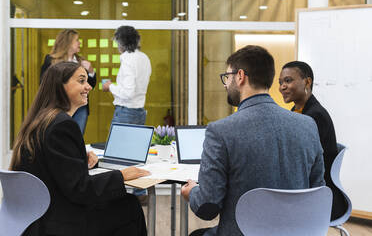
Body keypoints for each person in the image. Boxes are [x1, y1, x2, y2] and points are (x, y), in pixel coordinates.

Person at [181, 45, 326, 236]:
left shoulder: (220, 131)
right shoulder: (308, 125)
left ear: (240, 76)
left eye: (227, 77)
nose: (226, 84)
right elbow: (317, 191)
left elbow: (207, 208)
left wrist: (191, 192)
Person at [10, 61, 149, 236]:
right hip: (57, 222)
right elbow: (80, 189)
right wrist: (121, 176)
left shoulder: (42, 120)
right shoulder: (63, 125)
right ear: (61, 86)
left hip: (37, 216)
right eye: (81, 81)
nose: (89, 87)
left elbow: (55, 166)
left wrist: (80, 158)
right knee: (129, 205)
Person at [279, 60, 347, 221]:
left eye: (288, 81)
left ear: (307, 82)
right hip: (307, 185)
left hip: (318, 193)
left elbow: (303, 163)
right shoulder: (297, 110)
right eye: (281, 82)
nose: (282, 86)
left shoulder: (316, 116)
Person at [102, 26, 151, 201]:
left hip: (126, 112)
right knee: (135, 155)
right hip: (139, 111)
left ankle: (117, 195)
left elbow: (128, 92)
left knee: (117, 156)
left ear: (121, 41)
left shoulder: (128, 60)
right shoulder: (144, 58)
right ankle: (139, 192)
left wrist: (110, 87)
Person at [40, 29, 96, 134]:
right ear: (68, 42)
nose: (79, 43)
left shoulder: (81, 61)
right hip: (59, 105)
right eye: (77, 40)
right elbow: (44, 83)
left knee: (76, 137)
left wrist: (91, 71)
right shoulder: (51, 60)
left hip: (80, 107)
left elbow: (91, 84)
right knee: (59, 137)